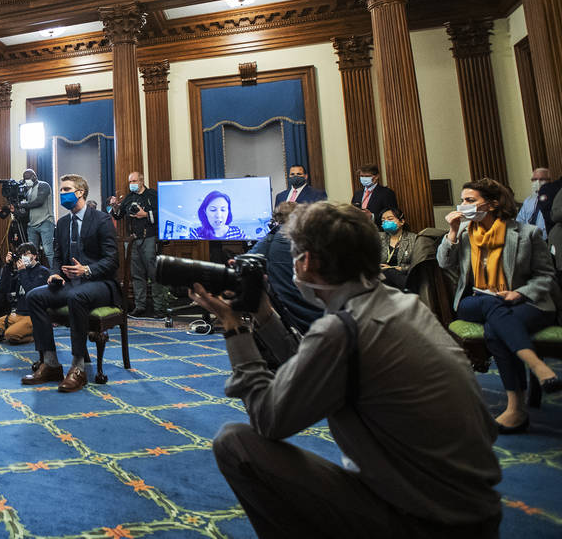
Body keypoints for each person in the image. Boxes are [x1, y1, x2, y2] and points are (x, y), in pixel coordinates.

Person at [192, 201, 503, 538]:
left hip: (422, 522)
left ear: (307, 262)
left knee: (235, 444)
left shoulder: (343, 329)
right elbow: (311, 362)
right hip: (475, 512)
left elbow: (268, 419)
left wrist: (233, 326)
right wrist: (265, 312)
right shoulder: (401, 303)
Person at [437, 178, 561, 432]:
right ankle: (536, 365)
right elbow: (443, 263)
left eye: (470, 201)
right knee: (490, 305)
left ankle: (516, 408)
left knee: (495, 328)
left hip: (522, 301)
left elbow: (546, 276)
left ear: (492, 204)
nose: (463, 205)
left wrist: (520, 294)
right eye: (462, 200)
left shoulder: (527, 233)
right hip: (475, 301)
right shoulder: (463, 232)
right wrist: (451, 232)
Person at [20, 174, 119, 392]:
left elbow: (112, 261)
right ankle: (51, 363)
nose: (62, 194)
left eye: (66, 189)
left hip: (100, 284)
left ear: (80, 192)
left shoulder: (101, 219)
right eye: (61, 190)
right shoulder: (63, 223)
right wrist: (54, 274)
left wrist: (87, 269)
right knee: (34, 296)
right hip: (71, 284)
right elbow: (57, 256)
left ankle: (78, 367)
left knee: (77, 297)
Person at [249, 202, 321, 334]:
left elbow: (248, 260)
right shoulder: (316, 239)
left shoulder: (270, 240)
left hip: (284, 313)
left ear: (277, 219)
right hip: (318, 312)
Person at [0, 243, 51, 345]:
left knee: (10, 334)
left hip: (33, 316)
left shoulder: (43, 272)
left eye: (26, 254)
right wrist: (8, 266)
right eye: (21, 255)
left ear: (35, 256)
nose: (24, 257)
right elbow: (3, 288)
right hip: (18, 314)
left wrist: (23, 272)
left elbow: (31, 292)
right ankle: (5, 334)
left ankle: (36, 335)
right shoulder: (20, 271)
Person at [113, 171, 164, 317]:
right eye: (130, 182)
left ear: (141, 181)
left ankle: (159, 308)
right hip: (133, 240)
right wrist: (114, 207)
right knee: (136, 274)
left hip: (150, 237)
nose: (132, 184)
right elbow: (118, 215)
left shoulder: (152, 195)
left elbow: (162, 212)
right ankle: (140, 306)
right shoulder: (129, 197)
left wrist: (146, 214)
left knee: (154, 274)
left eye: (134, 181)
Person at [18, 169, 55, 270]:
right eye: (25, 178)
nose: (27, 180)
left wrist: (24, 204)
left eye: (28, 177)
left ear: (34, 176)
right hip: (32, 225)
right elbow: (26, 209)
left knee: (49, 252)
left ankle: (55, 274)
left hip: (45, 222)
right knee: (30, 253)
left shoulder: (44, 185)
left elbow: (39, 201)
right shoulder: (28, 190)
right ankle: (32, 273)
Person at [378, 207, 418, 290]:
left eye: (390, 219)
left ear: (402, 221)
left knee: (390, 272)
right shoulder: (377, 237)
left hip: (402, 275)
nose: (386, 222)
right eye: (383, 220)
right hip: (381, 276)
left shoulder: (414, 239)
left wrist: (399, 268)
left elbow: (417, 265)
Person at [515, 167, 553, 239]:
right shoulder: (528, 201)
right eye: (534, 179)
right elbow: (519, 223)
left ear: (550, 180)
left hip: (547, 241)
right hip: (529, 242)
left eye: (542, 179)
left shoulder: (554, 198)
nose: (537, 182)